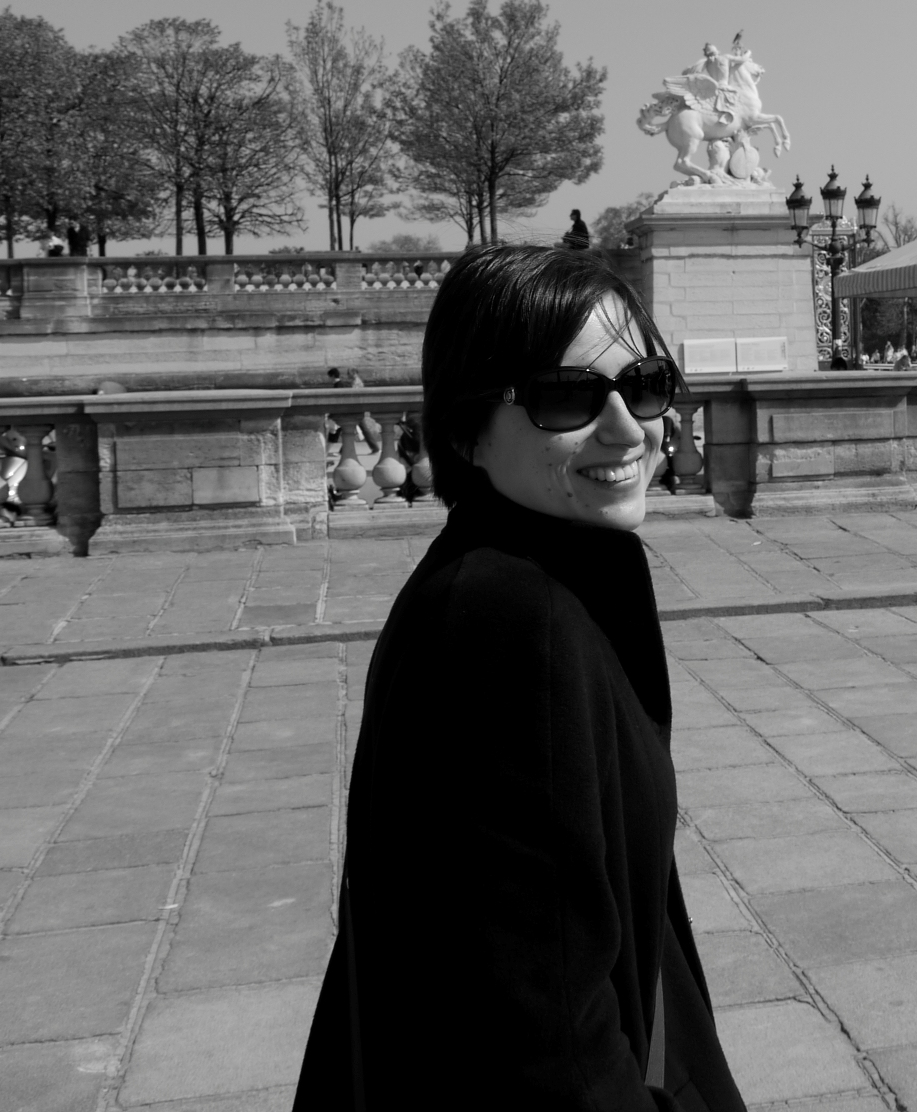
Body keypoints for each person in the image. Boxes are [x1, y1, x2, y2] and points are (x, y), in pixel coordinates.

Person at [295, 245, 745, 1111]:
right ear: (467, 429)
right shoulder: (509, 619)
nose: (628, 428)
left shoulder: (540, 572)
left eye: (645, 384)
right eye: (566, 397)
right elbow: (545, 1035)